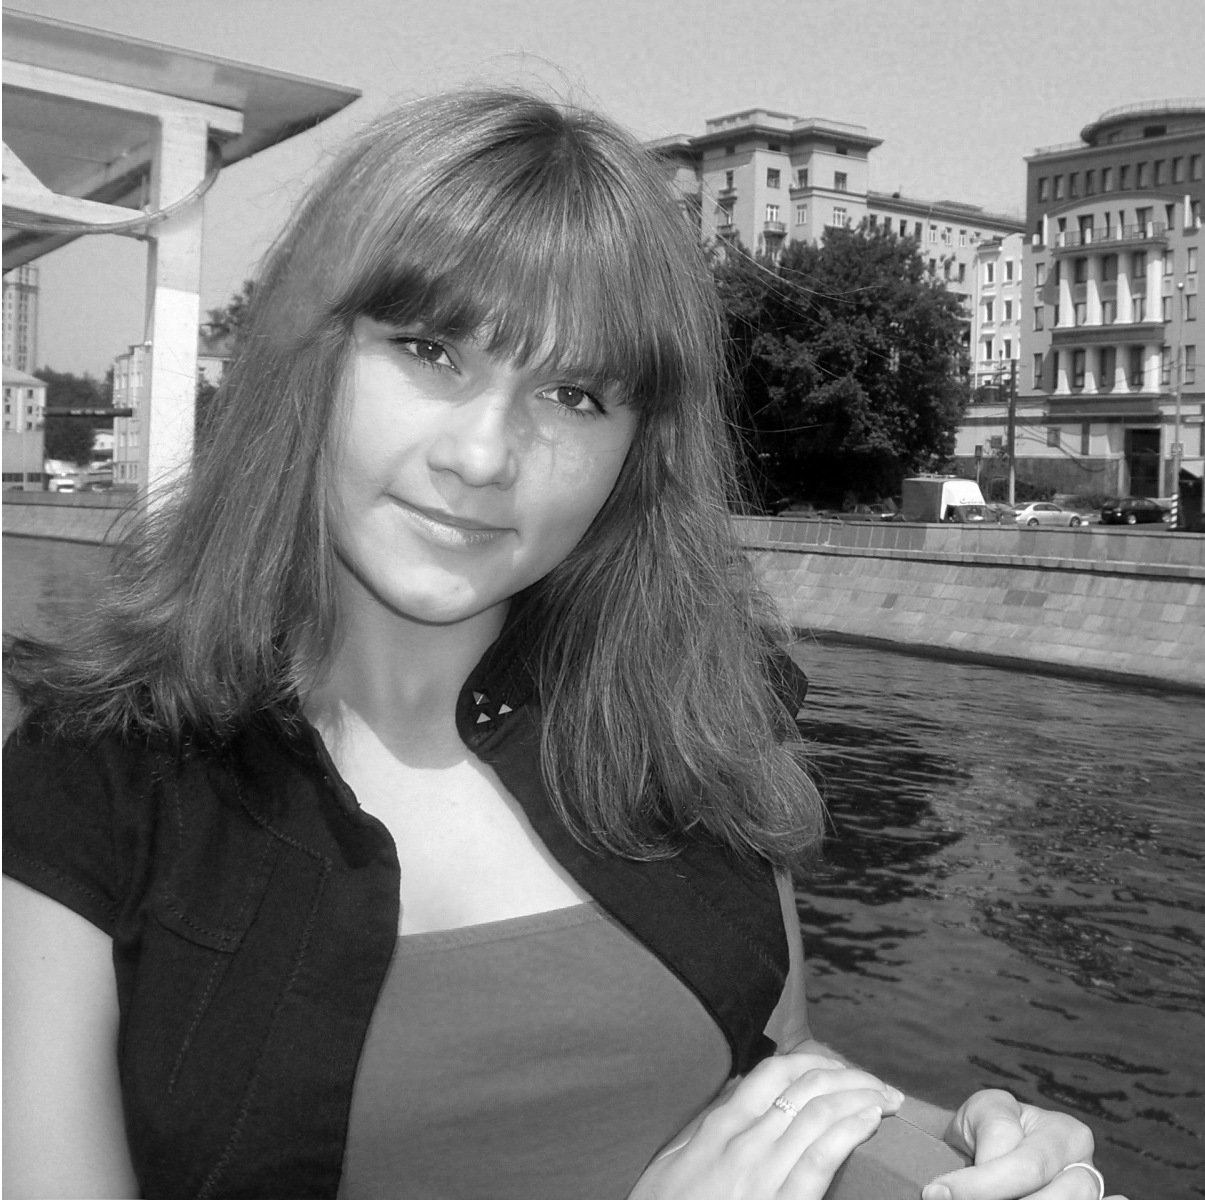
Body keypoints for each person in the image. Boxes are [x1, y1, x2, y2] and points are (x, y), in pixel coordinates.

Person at [3, 89, 1120, 1200]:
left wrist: (948, 1150)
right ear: (310, 353)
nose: (483, 456)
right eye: (431, 350)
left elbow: (766, 1083)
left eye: (574, 394)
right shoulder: (94, 779)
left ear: (637, 450)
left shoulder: (697, 726)